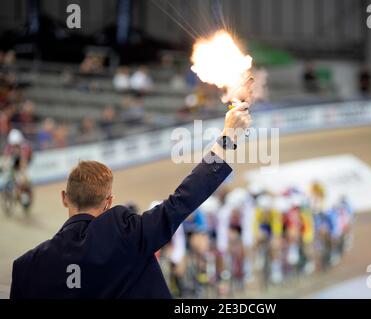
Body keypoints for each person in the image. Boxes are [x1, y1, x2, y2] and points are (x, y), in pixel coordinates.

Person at [10, 101, 252, 299]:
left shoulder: (26, 267)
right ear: (108, 201)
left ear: (65, 198)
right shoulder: (125, 231)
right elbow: (182, 201)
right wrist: (227, 138)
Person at [2, 129, 33, 209]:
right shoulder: (9, 147)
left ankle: (24, 194)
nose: (15, 146)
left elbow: (24, 161)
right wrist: (4, 166)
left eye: (16, 145)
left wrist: (22, 171)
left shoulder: (24, 147)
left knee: (23, 179)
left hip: (23, 162)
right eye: (13, 145)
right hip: (14, 163)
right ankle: (9, 195)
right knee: (9, 176)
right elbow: (5, 159)